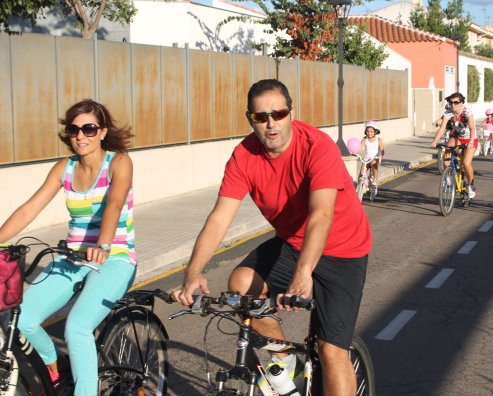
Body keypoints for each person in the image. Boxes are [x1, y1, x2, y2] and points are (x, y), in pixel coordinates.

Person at [171, 79, 371, 396]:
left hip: (342, 249)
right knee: (240, 285)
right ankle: (286, 366)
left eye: (277, 114)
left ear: (291, 112)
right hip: (293, 243)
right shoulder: (244, 155)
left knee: (331, 350)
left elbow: (321, 214)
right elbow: (220, 217)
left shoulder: (317, 146)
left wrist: (304, 272)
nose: (270, 123)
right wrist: (193, 273)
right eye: (260, 117)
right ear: (250, 118)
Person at [0, 99, 136, 395]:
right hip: (72, 258)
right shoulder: (65, 167)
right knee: (19, 317)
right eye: (74, 129)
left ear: (102, 132)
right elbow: (29, 209)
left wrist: (103, 243)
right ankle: (55, 366)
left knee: (76, 327)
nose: (80, 136)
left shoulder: (119, 162)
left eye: (89, 128)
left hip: (114, 257)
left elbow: (113, 205)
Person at [431, 92, 477, 198]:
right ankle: (448, 177)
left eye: (456, 102)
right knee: (447, 148)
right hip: (456, 138)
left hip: (469, 139)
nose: (453, 105)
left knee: (466, 163)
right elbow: (442, 128)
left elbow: (471, 127)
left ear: (461, 103)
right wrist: (435, 141)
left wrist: (470, 142)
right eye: (451, 102)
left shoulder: (467, 111)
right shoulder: (448, 112)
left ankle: (471, 185)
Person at [357, 120, 385, 185]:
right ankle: (359, 188)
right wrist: (356, 153)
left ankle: (375, 181)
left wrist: (381, 155)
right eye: (368, 131)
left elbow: (382, 150)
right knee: (361, 174)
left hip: (375, 158)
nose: (369, 133)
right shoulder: (365, 140)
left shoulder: (378, 140)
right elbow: (360, 148)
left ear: (375, 132)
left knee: (373, 164)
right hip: (366, 159)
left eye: (371, 131)